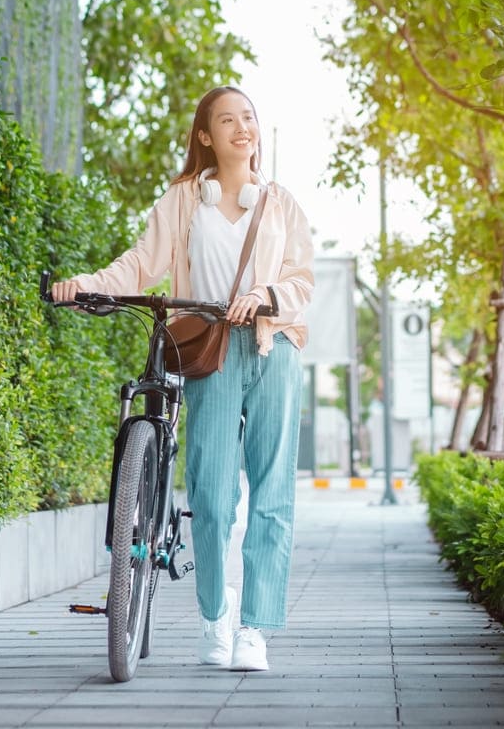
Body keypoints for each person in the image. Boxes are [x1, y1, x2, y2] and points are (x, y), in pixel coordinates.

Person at [50, 86, 313, 672]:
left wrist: (266, 295)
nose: (243, 127)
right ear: (205, 136)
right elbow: (139, 264)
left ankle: (255, 630)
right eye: (228, 120)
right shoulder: (183, 200)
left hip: (274, 346)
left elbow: (302, 278)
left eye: (249, 116)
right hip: (208, 350)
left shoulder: (279, 203)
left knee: (272, 496)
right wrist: (84, 283)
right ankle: (216, 619)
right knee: (213, 496)